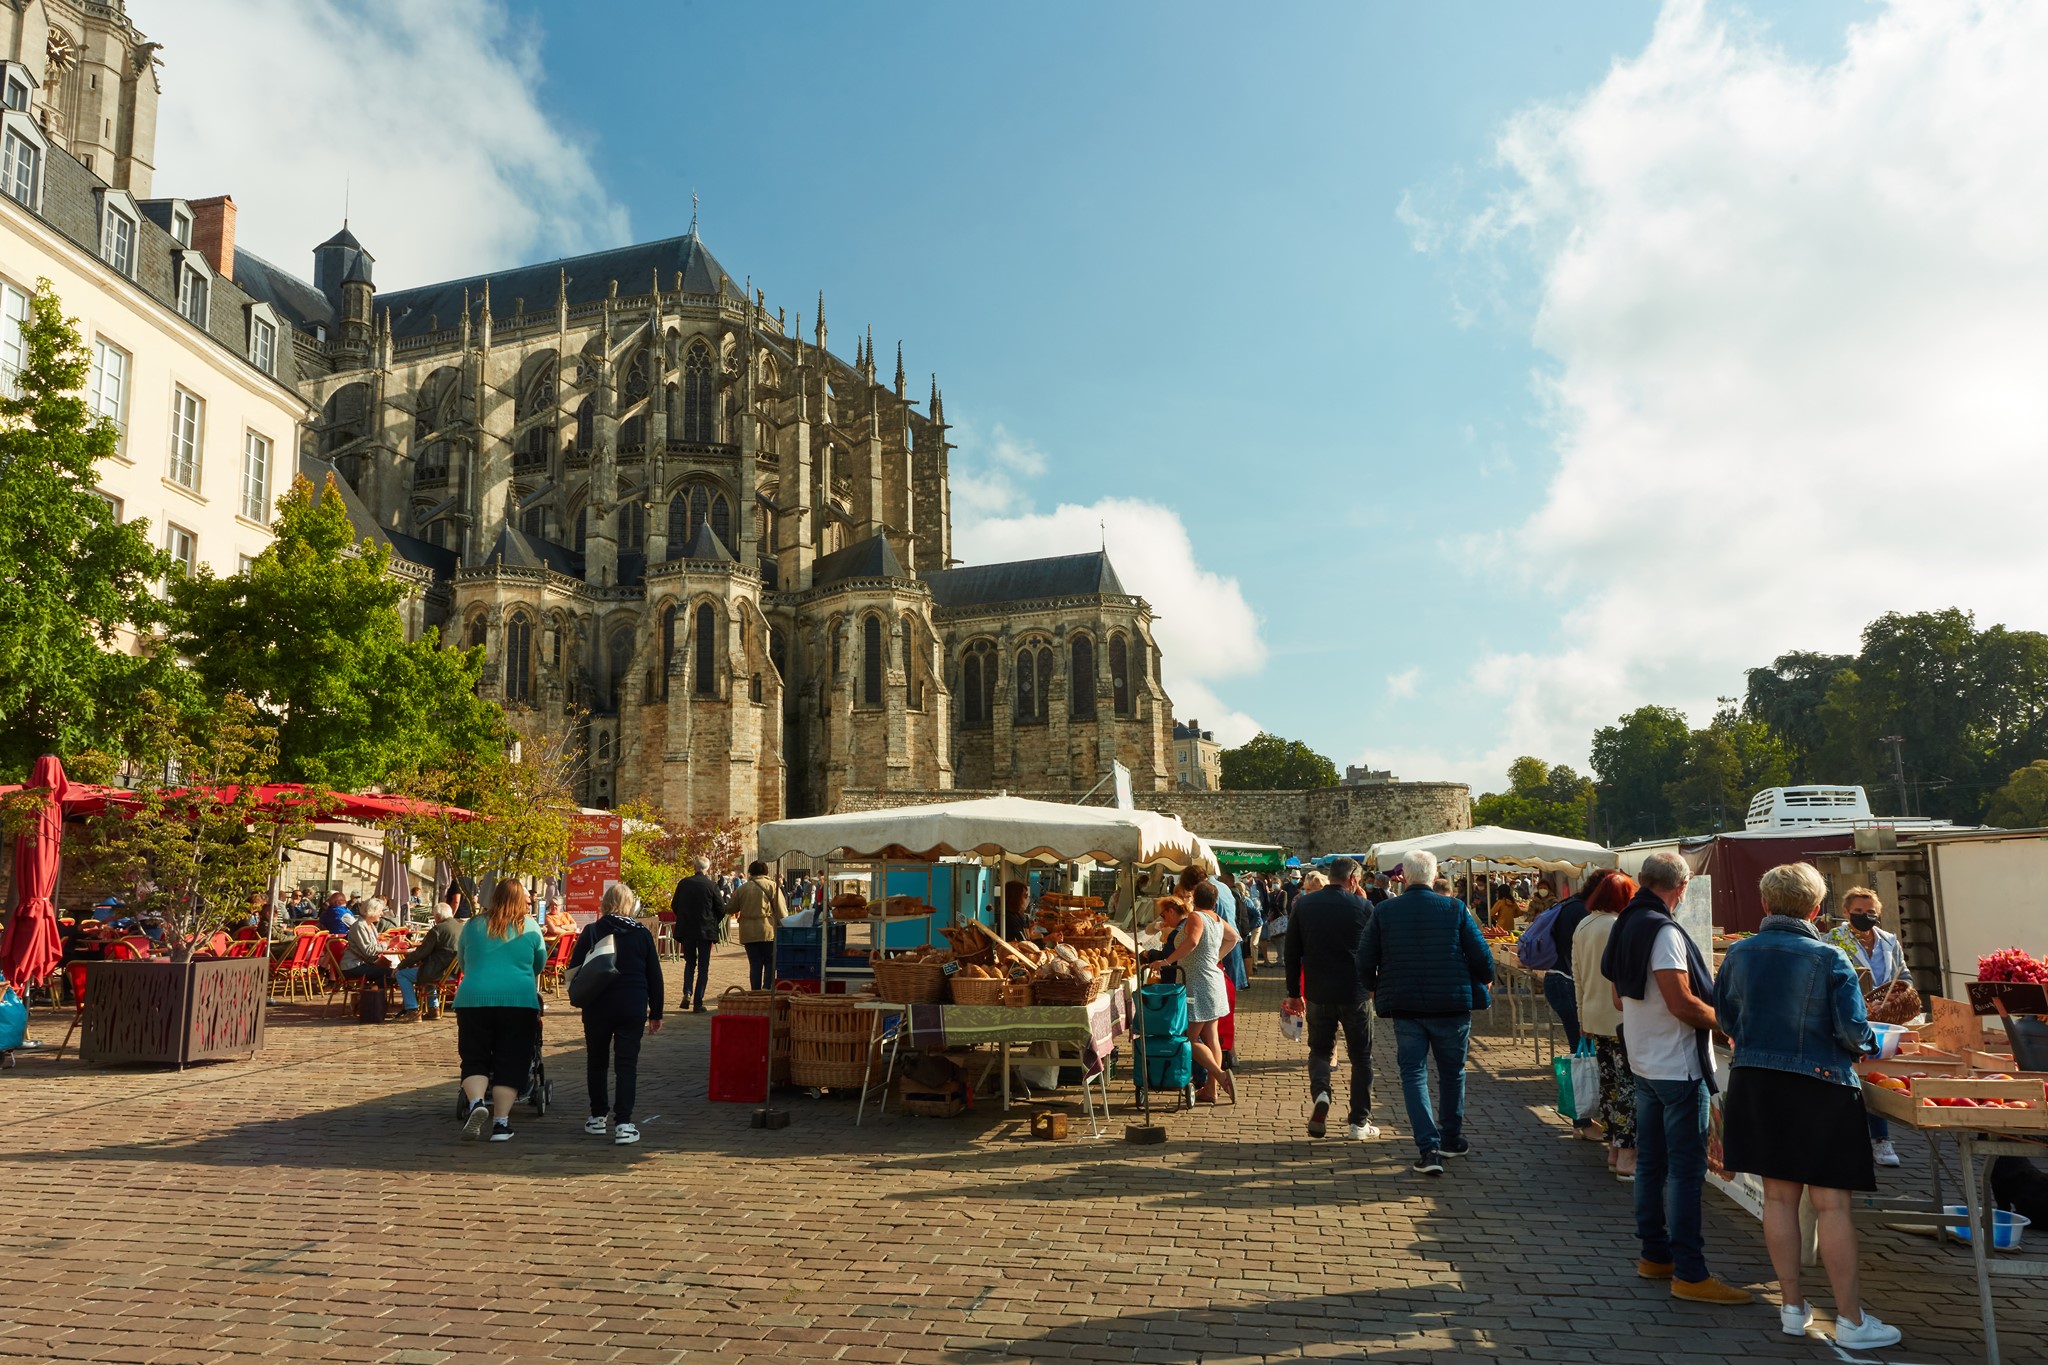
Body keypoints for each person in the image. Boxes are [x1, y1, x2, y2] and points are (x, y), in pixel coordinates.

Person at [1717, 863, 1899, 1350]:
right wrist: (1876, 1043)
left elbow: (1726, 1018)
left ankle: (1792, 1308)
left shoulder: (1738, 953)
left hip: (1756, 1081)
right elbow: (1852, 1032)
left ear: (1765, 904)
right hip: (1820, 1085)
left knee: (1778, 1199)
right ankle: (1851, 1320)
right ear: (1817, 909)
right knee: (1831, 1203)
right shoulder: (1829, 957)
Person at [1601, 849, 1751, 1305]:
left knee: (1651, 1163)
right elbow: (1681, 1003)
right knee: (1685, 1171)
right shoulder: (1663, 931)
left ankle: (1654, 1254)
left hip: (1645, 1059)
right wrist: (1728, 1023)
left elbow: (1620, 998)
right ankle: (1690, 1272)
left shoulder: (1626, 922)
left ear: (1643, 879)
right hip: (1677, 1066)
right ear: (1681, 887)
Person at [1359, 849, 1494, 1175]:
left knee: (1413, 1074)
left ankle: (1428, 1147)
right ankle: (1451, 1137)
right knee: (1452, 1072)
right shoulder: (1455, 908)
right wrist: (1485, 978)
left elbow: (1364, 958)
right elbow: (1481, 955)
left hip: (1406, 1003)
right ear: (1434, 876)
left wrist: (1373, 986)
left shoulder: (1385, 911)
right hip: (1451, 1002)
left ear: (1403, 877)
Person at [1284, 856, 1378, 1141]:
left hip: (1318, 991)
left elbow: (1291, 952)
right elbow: (1376, 950)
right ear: (1353, 879)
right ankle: (1359, 1122)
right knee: (1361, 1057)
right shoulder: (1364, 907)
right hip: (1355, 992)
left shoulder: (1304, 905)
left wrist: (1293, 993)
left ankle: (1322, 1092)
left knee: (1320, 1051)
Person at [570, 882, 665, 1145]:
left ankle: (598, 1117)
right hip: (632, 1004)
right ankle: (624, 1123)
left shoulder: (591, 931)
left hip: (597, 1005)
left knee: (597, 1061)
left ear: (605, 903)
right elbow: (654, 976)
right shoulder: (642, 934)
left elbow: (574, 969)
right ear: (630, 905)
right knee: (626, 1065)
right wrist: (656, 1012)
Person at [1824, 887, 1912, 1168]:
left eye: (1870, 912)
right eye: (1858, 912)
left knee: (1876, 1075)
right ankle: (1846, 1139)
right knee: (1847, 1078)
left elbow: (1904, 975)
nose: (1865, 916)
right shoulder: (1833, 940)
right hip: (1849, 1018)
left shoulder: (1889, 941)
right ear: (1846, 912)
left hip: (1884, 1021)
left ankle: (1880, 1139)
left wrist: (1899, 993)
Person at [455, 879, 548, 1142]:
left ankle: (476, 1102)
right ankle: (501, 1124)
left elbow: (462, 960)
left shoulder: (473, 925)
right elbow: (539, 963)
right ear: (522, 900)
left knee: (474, 1057)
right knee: (512, 1059)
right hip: (518, 1001)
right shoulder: (530, 926)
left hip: (474, 999)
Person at [1573, 872, 1638, 1178]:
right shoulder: (1619, 925)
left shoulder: (1584, 925)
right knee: (1628, 1086)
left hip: (1594, 1017)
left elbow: (1577, 977)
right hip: (1621, 1019)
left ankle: (1613, 1147)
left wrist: (1581, 1016)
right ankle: (1625, 1155)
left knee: (1609, 1085)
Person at [1147, 888, 1235, 1103]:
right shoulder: (1216, 918)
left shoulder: (1196, 916)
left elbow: (1193, 941)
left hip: (1197, 983)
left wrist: (1167, 961)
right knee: (1211, 1038)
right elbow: (1233, 937)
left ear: (1195, 900)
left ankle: (1221, 1076)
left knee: (1189, 1038)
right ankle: (1211, 1090)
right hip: (1212, 980)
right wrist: (1214, 958)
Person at [340, 898, 415, 1018]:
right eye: (380, 911)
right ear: (372, 911)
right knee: (391, 973)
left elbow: (372, 949)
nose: (382, 914)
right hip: (353, 966)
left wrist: (394, 945)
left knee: (391, 973)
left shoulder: (370, 926)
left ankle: (366, 999)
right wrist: (389, 943)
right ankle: (365, 1000)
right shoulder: (360, 926)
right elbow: (369, 951)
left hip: (364, 963)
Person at [669, 857, 725, 1013]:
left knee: (690, 963)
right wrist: (713, 921)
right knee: (703, 966)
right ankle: (698, 1002)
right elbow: (721, 908)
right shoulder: (711, 885)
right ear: (708, 868)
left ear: (694, 867)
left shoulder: (684, 883)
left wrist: (684, 917)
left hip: (687, 930)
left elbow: (674, 905)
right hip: (705, 931)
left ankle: (687, 991)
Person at [728, 860, 789, 991]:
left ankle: (755, 991)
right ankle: (767, 988)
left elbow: (731, 908)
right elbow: (781, 911)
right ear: (766, 871)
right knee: (770, 963)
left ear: (750, 872)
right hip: (767, 930)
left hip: (748, 932)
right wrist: (786, 926)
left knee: (754, 964)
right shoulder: (772, 886)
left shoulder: (742, 889)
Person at [397, 903, 463, 1020]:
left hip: (439, 972)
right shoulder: (461, 928)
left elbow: (421, 952)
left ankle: (412, 1010)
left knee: (402, 974)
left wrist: (401, 966)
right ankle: (433, 1008)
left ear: (437, 916)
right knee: (428, 969)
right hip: (456, 972)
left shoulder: (438, 929)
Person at [1237, 874, 1264, 977]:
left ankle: (1254, 964)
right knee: (1248, 945)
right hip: (1249, 924)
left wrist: (1250, 927)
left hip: (1256, 924)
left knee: (1253, 944)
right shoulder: (1241, 899)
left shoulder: (1246, 901)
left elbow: (1257, 915)